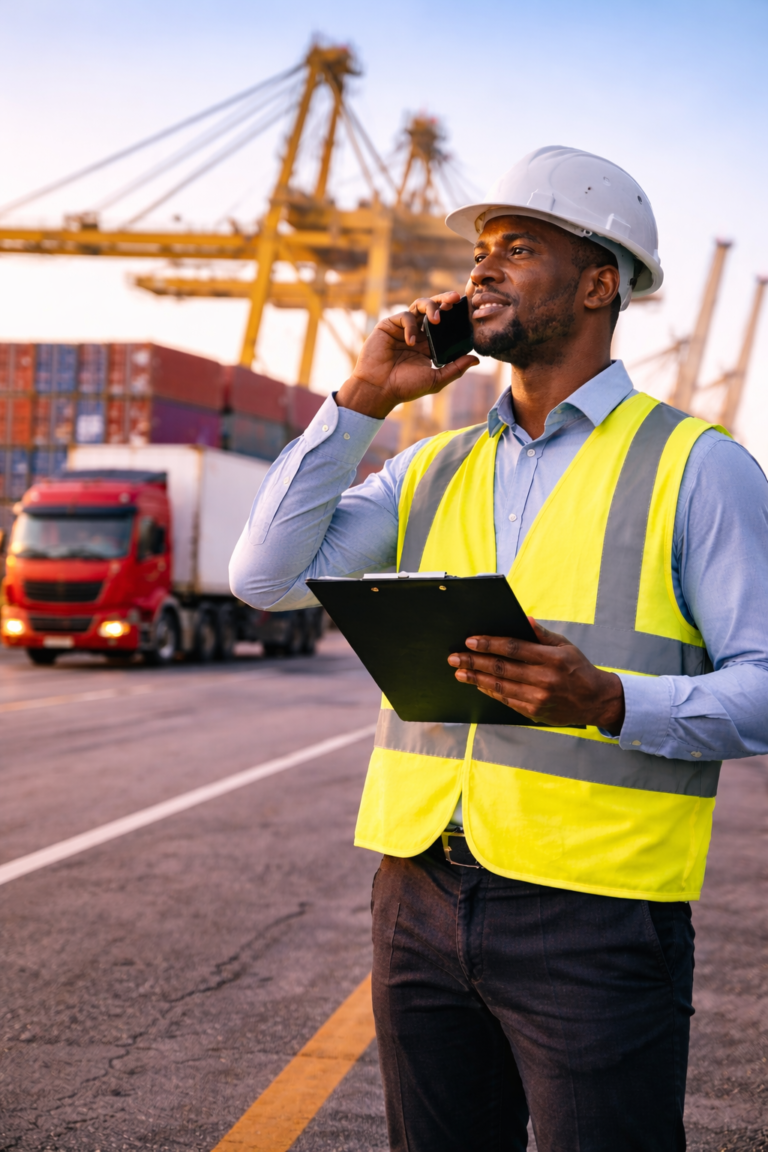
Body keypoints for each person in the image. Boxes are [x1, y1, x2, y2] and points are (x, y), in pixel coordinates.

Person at [229, 145, 768, 1152]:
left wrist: (614, 702)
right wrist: (359, 405)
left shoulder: (700, 468)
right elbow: (262, 579)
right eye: (480, 250)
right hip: (419, 895)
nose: (481, 270)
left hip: (597, 919)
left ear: (600, 281)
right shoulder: (425, 469)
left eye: (517, 248)